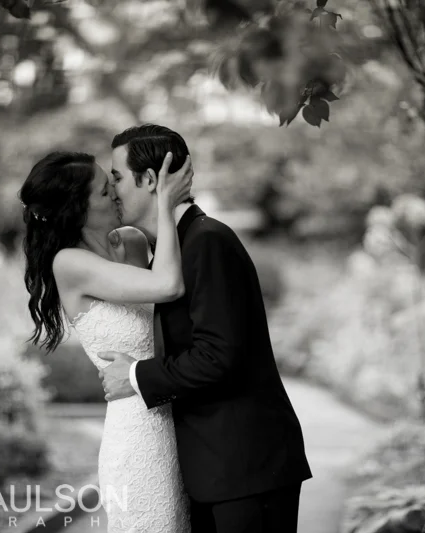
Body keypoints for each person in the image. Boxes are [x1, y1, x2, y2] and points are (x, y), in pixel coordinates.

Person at [98, 124, 313, 533]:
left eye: (117, 177)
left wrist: (134, 376)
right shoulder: (173, 247)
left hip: (247, 467)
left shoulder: (207, 240)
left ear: (149, 179)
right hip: (214, 470)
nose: (112, 190)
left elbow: (219, 356)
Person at [19, 149, 194, 532]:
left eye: (112, 182)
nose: (116, 192)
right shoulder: (69, 264)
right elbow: (167, 285)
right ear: (75, 209)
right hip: (137, 433)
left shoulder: (133, 242)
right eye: (103, 190)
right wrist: (163, 202)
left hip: (184, 425)